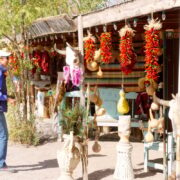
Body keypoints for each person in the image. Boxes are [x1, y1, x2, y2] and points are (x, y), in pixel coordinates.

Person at [0, 49, 16, 173]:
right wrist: (8, 99)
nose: (9, 60)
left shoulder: (2, 71)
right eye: (7, 58)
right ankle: (1, 163)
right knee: (4, 135)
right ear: (1, 59)